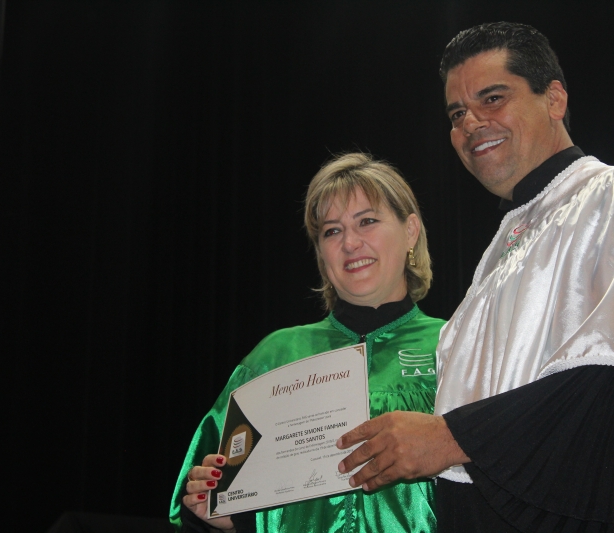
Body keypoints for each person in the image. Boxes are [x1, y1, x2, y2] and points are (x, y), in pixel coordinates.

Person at [335, 22, 614, 532]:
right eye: (457, 113)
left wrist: (450, 437)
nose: (471, 123)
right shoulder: (500, 255)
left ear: (554, 99)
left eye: (492, 99)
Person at [170, 152, 445, 533]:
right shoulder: (275, 358)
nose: (350, 242)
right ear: (320, 253)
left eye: (367, 221)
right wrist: (215, 516)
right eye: (331, 231)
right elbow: (211, 497)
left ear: (410, 230)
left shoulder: (453, 348)